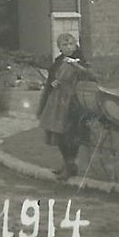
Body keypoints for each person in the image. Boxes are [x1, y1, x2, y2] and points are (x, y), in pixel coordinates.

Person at [37, 32, 95, 180]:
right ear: (60, 48)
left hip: (74, 104)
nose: (68, 47)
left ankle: (71, 165)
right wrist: (52, 83)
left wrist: (77, 67)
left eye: (71, 44)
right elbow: (50, 82)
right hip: (57, 103)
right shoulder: (58, 62)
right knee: (59, 135)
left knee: (71, 135)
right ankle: (66, 163)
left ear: (75, 45)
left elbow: (90, 77)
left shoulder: (80, 61)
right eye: (64, 45)